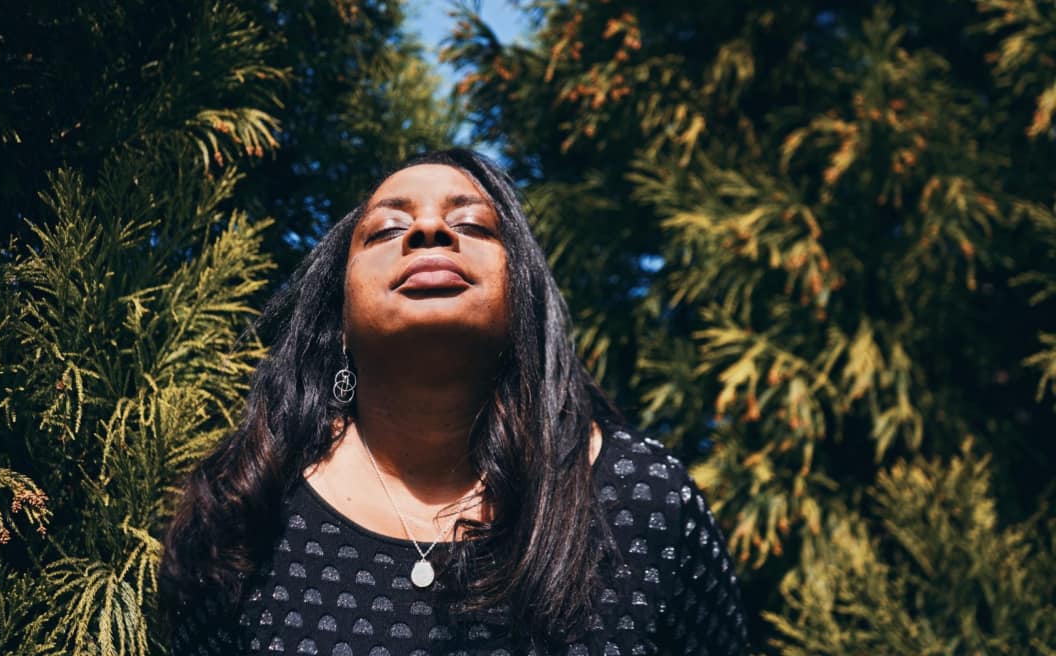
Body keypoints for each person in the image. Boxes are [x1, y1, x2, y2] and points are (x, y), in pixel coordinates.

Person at [160, 149, 749, 655]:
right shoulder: (245, 513)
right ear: (338, 320)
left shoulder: (642, 498)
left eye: (472, 225)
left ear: (522, 299)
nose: (429, 232)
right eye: (388, 230)